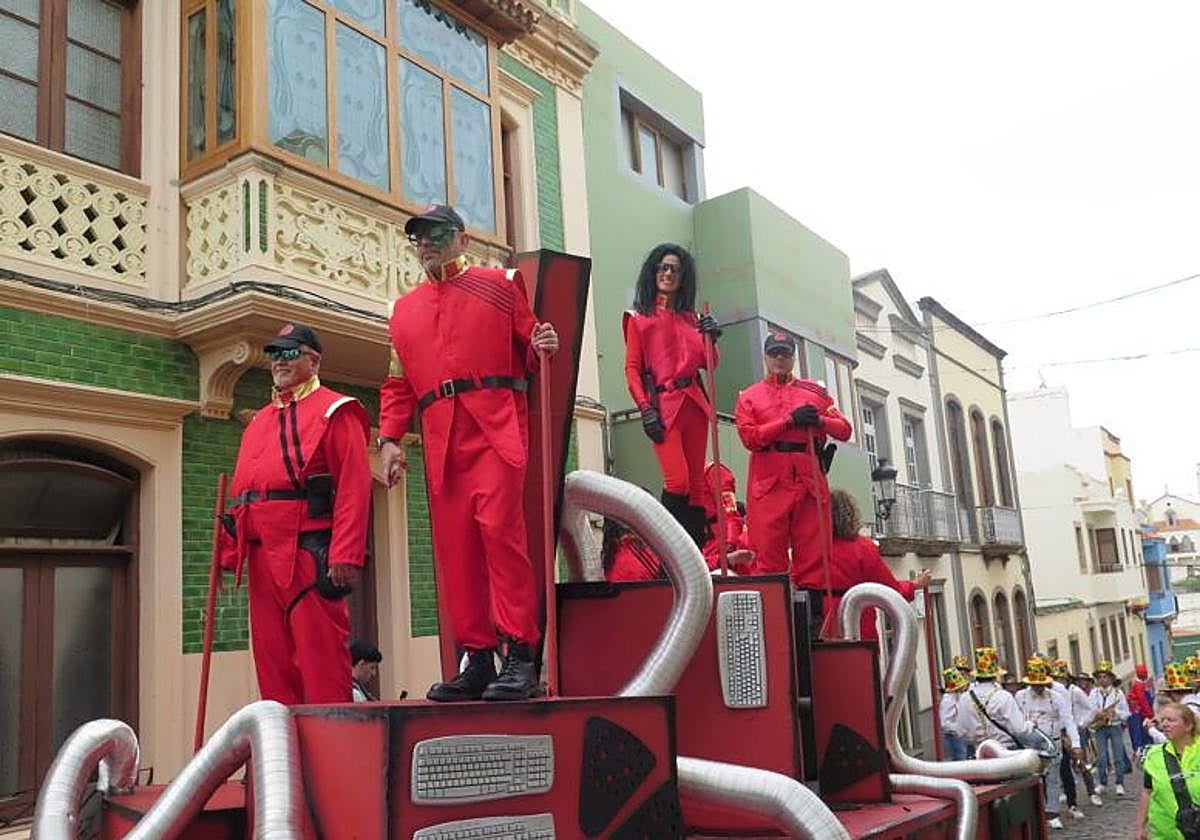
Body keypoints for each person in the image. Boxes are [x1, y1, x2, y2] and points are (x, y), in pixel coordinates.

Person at [378, 204, 558, 702]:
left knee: (501, 535)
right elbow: (397, 384)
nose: (425, 244)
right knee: (455, 549)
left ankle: (521, 652)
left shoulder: (500, 283)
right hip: (441, 434)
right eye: (417, 237)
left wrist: (544, 341)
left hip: (495, 422)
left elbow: (530, 342)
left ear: (460, 237)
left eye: (435, 234)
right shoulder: (403, 311)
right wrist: (390, 440)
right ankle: (477, 657)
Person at [217, 323, 372, 704]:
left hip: (307, 550)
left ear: (313, 360)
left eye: (289, 353)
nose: (278, 362)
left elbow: (354, 485)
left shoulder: (336, 410)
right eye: (274, 354)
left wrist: (345, 552)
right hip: (260, 553)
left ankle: (333, 753)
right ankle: (283, 756)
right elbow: (246, 493)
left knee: (321, 660)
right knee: (272, 663)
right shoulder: (259, 421)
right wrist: (228, 550)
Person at [623, 243, 720, 546]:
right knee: (676, 481)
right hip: (663, 407)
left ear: (683, 276)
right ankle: (669, 551)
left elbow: (711, 363)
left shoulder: (693, 319)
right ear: (653, 272)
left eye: (674, 269)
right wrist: (644, 409)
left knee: (696, 487)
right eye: (662, 267)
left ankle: (694, 553)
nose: (668, 273)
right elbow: (631, 369)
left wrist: (710, 336)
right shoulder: (639, 318)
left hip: (693, 403)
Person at [734, 332, 852, 581]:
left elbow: (844, 430)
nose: (779, 358)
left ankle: (814, 614)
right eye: (774, 353)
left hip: (808, 481)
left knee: (815, 557)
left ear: (793, 358)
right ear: (765, 357)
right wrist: (788, 422)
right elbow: (750, 438)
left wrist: (820, 420)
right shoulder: (749, 397)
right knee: (767, 558)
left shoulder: (815, 394)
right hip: (769, 483)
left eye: (785, 353)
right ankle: (777, 615)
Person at [800, 489, 931, 639]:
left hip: (815, 624)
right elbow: (889, 590)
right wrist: (914, 585)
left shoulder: (805, 549)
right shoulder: (864, 549)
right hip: (857, 623)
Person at [1016, 658, 1082, 828]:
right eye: (1035, 684)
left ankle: (1052, 812)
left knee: (1052, 778)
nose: (1038, 688)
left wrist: (1075, 744)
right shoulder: (1020, 697)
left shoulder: (1057, 698)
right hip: (1029, 744)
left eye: (1041, 684)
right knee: (1031, 778)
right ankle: (1033, 812)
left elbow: (1069, 721)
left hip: (1052, 742)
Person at [1137, 702, 1200, 840]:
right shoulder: (1153, 756)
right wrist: (1140, 827)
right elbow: (1147, 792)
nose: (1164, 724)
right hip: (1165, 832)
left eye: (1171, 720)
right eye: (1163, 720)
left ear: (1188, 726)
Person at [959, 646, 1032, 753]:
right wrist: (1030, 725)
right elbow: (1019, 729)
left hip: (980, 753)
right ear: (995, 675)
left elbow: (961, 731)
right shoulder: (1003, 696)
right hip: (1006, 751)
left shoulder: (964, 698)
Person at [700, 462, 754, 571]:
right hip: (700, 545)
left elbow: (730, 511)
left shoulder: (714, 472)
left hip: (719, 542)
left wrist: (730, 544)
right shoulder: (680, 480)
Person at [1088, 660, 1131, 796]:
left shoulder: (1118, 694)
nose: (1102, 679)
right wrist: (1098, 713)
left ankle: (1119, 783)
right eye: (1099, 677)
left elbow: (1127, 713)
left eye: (1105, 676)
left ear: (1111, 678)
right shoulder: (1094, 693)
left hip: (1115, 726)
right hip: (1100, 727)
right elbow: (1090, 709)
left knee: (1118, 755)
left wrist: (1116, 713)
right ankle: (1102, 783)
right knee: (1101, 756)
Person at [940, 667, 970, 761]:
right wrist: (958, 728)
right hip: (953, 736)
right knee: (960, 758)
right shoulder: (948, 701)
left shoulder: (956, 697)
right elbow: (944, 723)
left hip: (960, 735)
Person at [1129, 663, 1156, 753]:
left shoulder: (1140, 684)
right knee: (1139, 733)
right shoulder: (1139, 685)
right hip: (1138, 713)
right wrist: (1150, 713)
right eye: (1145, 673)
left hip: (1141, 712)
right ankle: (1140, 751)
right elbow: (1143, 700)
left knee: (1142, 732)